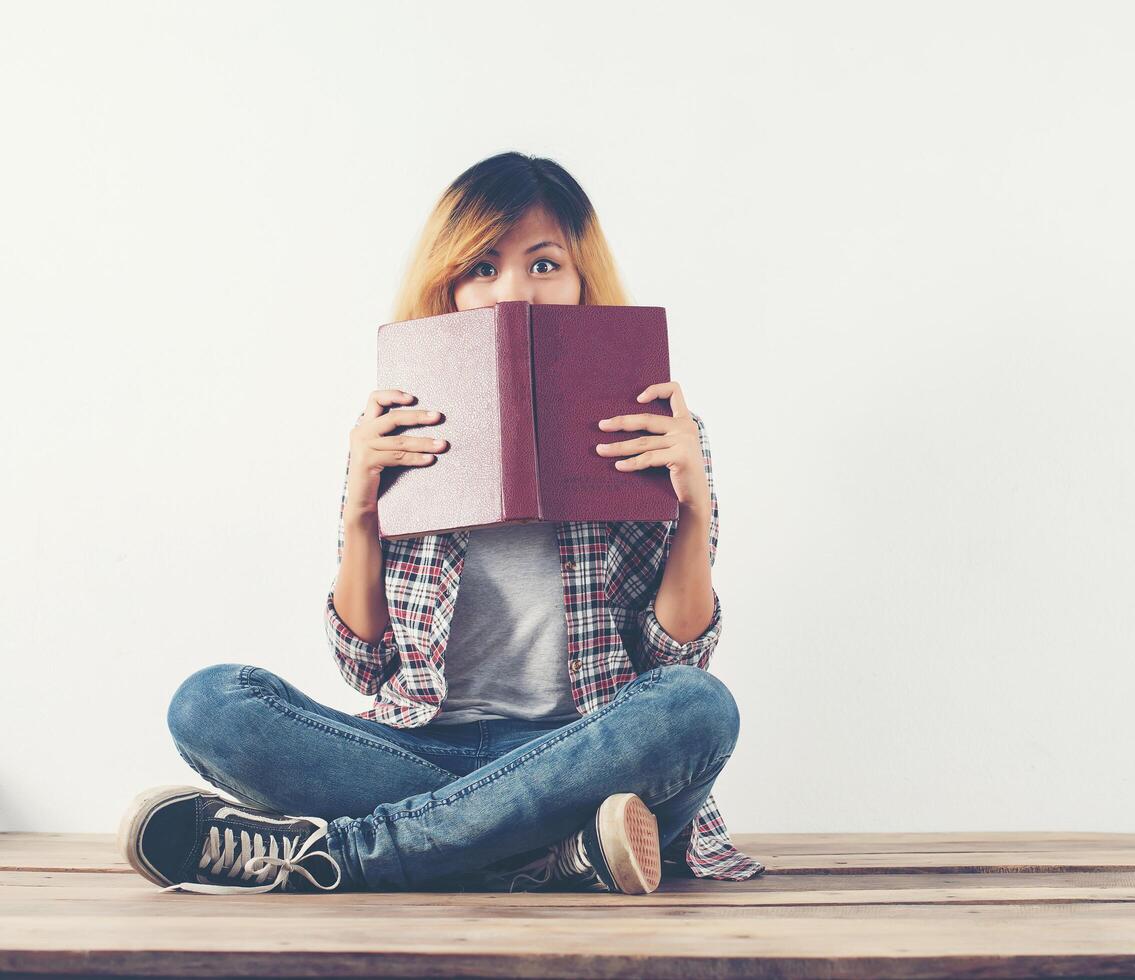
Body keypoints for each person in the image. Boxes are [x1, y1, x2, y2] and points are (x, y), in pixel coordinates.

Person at [116, 151, 765, 895]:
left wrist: (694, 510)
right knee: (210, 703)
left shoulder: (654, 427)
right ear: (448, 282)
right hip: (413, 750)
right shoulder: (401, 425)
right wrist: (362, 509)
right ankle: (543, 853)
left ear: (584, 277)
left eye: (544, 264)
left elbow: (675, 664)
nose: (511, 290)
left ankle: (352, 855)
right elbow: (365, 667)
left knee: (692, 709)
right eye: (482, 267)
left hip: (579, 752)